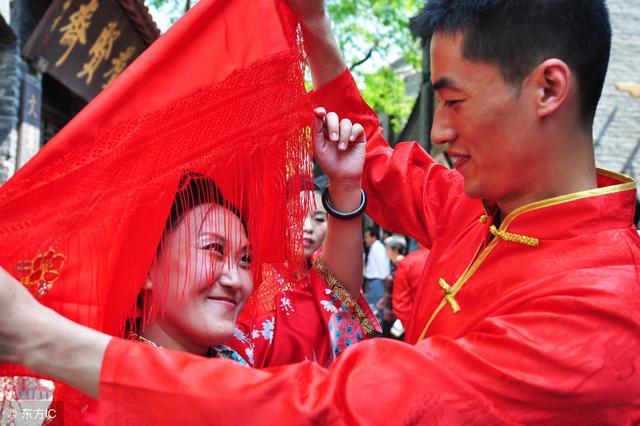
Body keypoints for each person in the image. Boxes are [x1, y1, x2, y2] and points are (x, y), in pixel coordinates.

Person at [1, 0, 640, 423]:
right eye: (213, 249)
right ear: (144, 264)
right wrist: (315, 28)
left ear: (548, 88)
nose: (440, 132)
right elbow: (371, 156)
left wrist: (41, 339)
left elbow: (337, 405)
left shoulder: (602, 308)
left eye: (454, 102)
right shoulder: (476, 206)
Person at [391, 243, 429, 335]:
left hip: (417, 328)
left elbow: (400, 305)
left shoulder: (408, 262)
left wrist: (411, 327)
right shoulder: (454, 258)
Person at [376, 234, 406, 337]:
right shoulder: (395, 264)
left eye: (387, 248)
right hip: (389, 312)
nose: (386, 250)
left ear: (395, 250)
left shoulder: (400, 264)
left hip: (395, 315)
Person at [363, 226, 390, 320]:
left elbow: (383, 266)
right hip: (373, 283)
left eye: (367, 237)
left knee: (375, 311)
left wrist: (385, 283)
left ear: (373, 237)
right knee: (372, 310)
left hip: (377, 283)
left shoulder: (378, 248)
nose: (365, 239)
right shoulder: (375, 247)